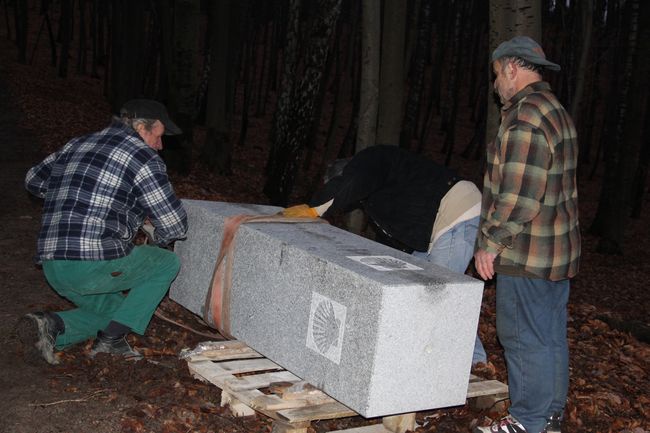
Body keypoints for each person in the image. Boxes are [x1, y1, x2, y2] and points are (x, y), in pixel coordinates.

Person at [283, 144, 488, 366]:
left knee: (438, 296)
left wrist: (315, 208)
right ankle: (465, 360)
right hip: (441, 220)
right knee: (412, 290)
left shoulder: (370, 161)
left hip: (456, 209)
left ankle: (474, 363)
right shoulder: (379, 192)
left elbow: (351, 183)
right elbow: (396, 239)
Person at [18, 99, 188, 364]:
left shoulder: (77, 143)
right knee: (166, 263)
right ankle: (111, 344)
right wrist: (160, 240)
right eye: (158, 136)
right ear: (141, 127)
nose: (160, 145)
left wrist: (73, 196)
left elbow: (33, 180)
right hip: (90, 265)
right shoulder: (143, 156)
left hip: (53, 266)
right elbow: (175, 224)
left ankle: (51, 326)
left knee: (121, 313)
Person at [473, 36, 580, 433]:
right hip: (557, 252)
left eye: (497, 74)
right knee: (549, 336)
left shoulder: (525, 119)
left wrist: (490, 242)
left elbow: (519, 195)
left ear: (512, 68)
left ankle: (526, 421)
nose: (496, 83)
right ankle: (548, 416)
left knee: (521, 336)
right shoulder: (555, 111)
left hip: (528, 252)